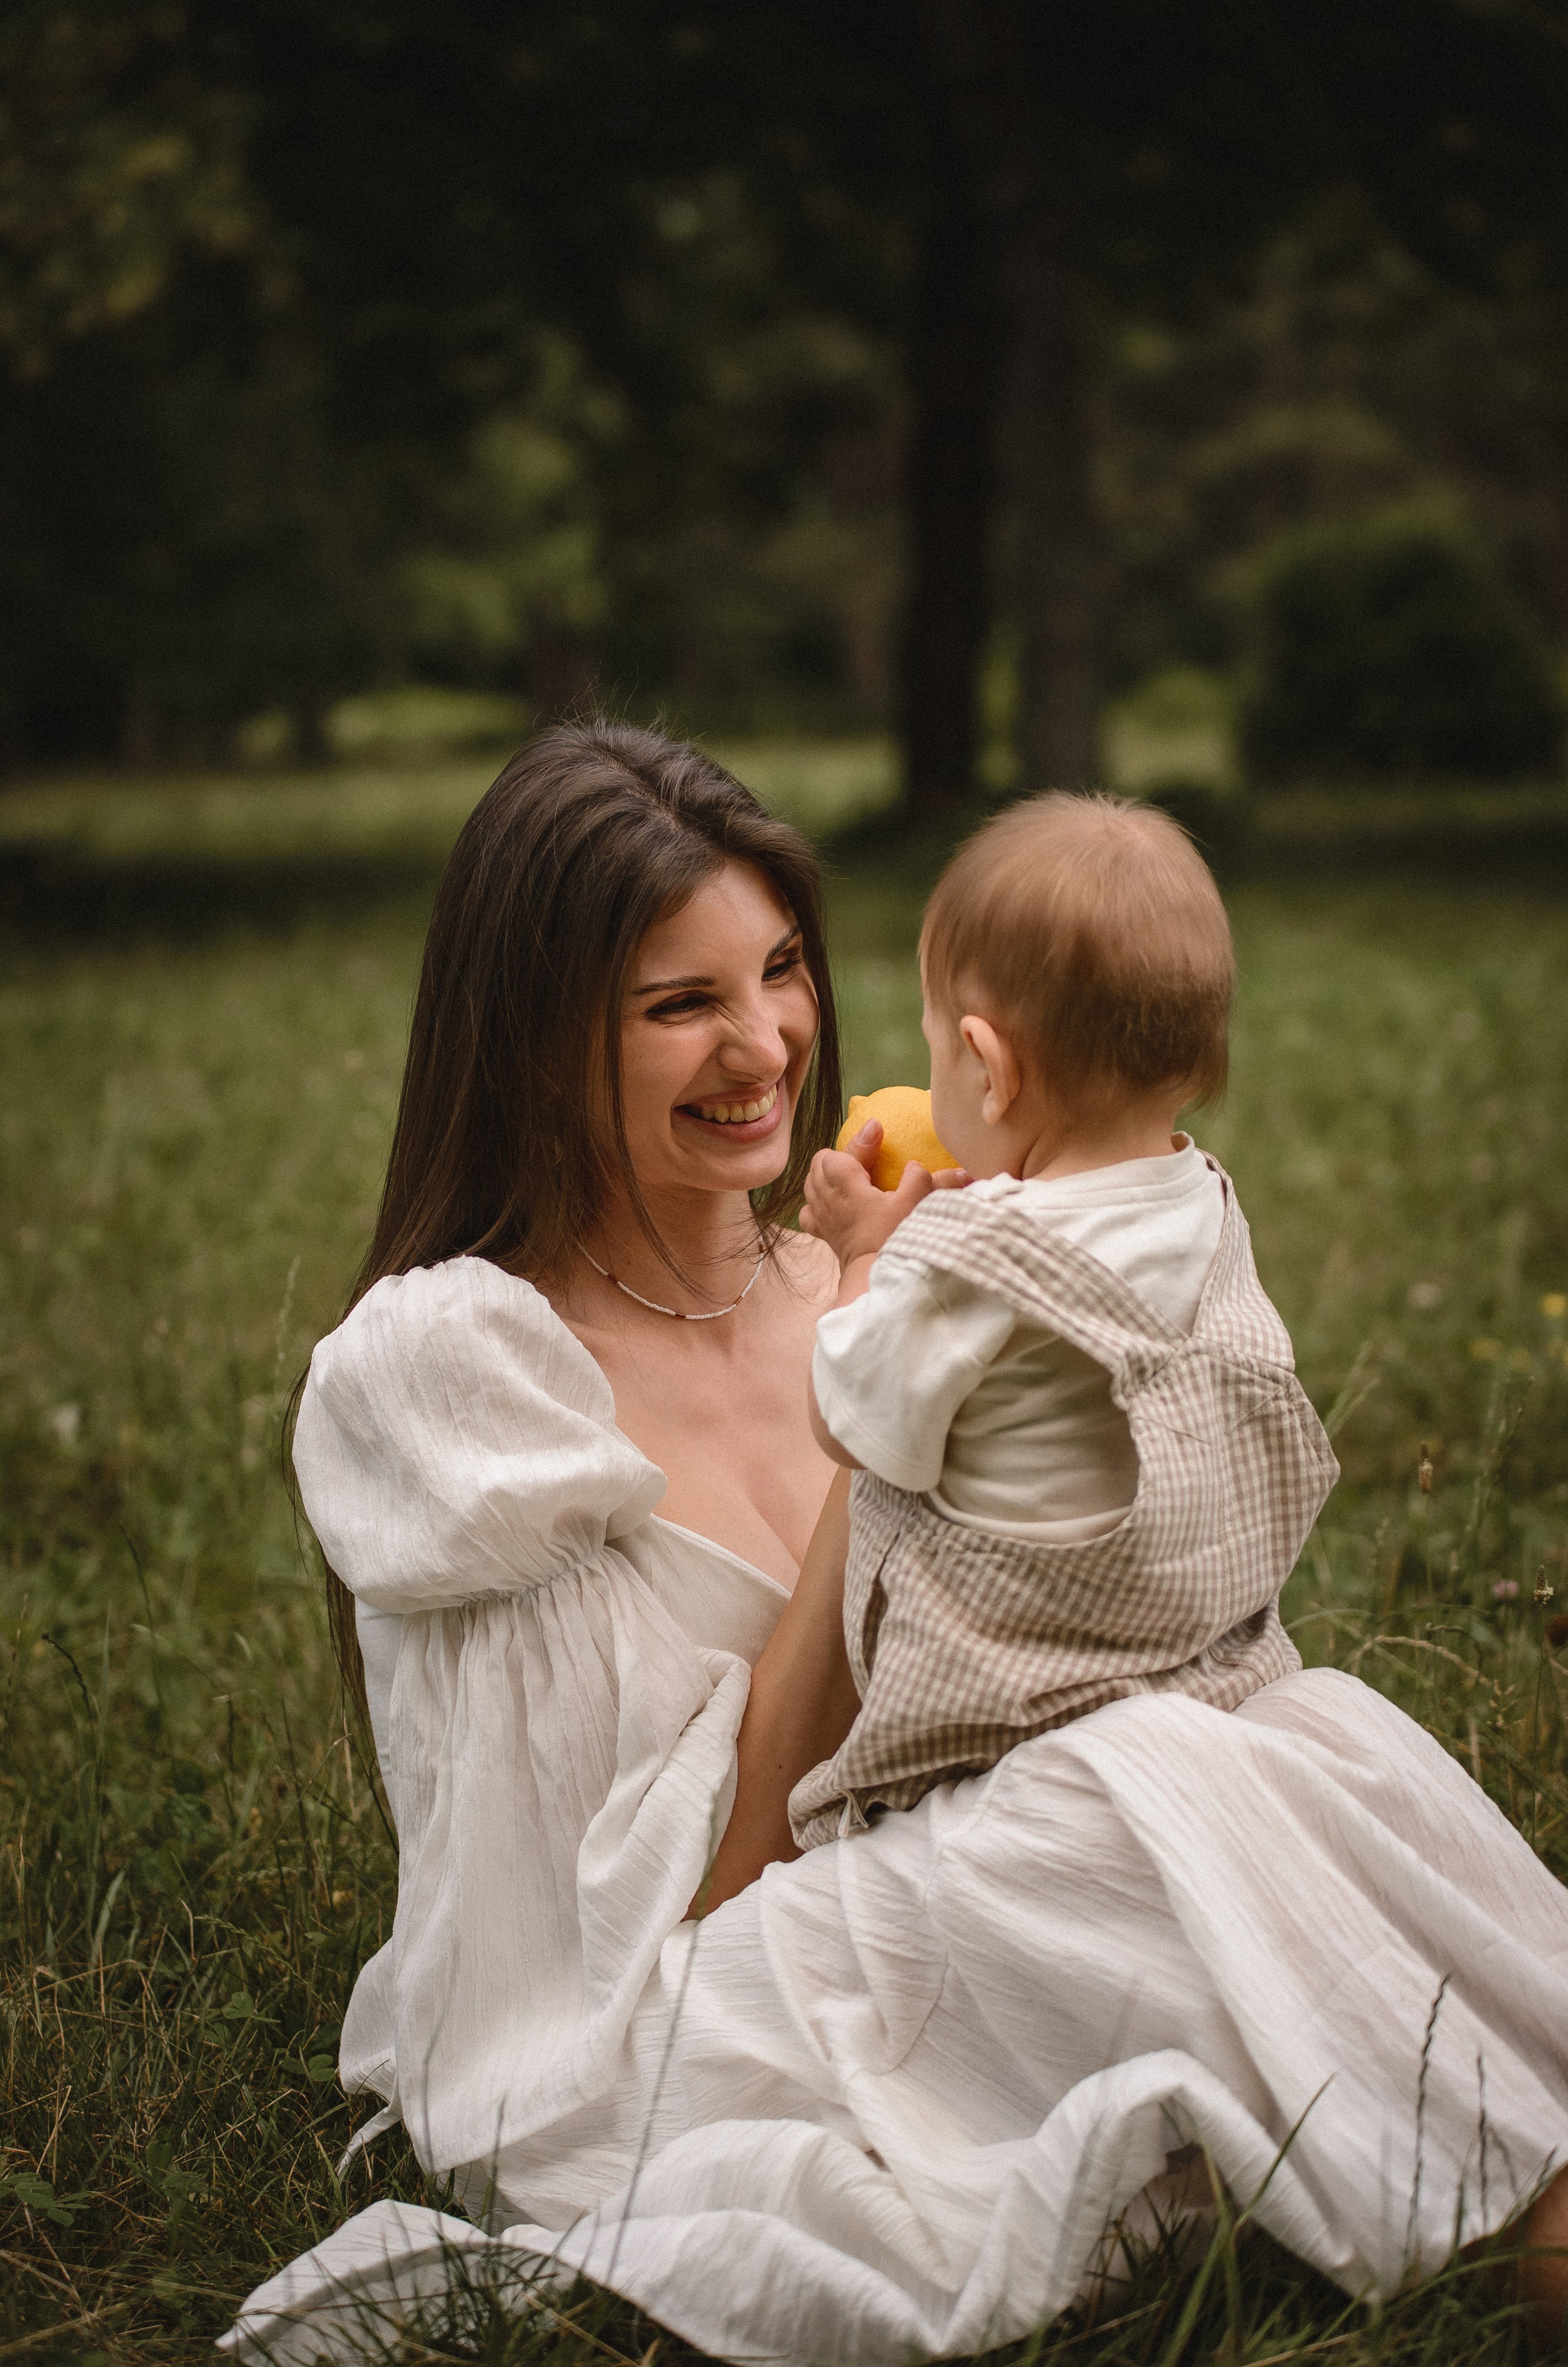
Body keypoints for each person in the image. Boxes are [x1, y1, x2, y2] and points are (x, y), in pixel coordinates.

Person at [224, 722, 1568, 2366]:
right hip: (680, 2005)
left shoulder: (895, 1280)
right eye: (680, 1003)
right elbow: (654, 1917)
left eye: (780, 967)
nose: (768, 1041)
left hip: (983, 1865)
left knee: (1315, 1737)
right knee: (1145, 1784)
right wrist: (890, 1455)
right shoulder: (463, 1373)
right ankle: (1525, 2220)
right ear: (529, 1044)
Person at [789, 793, 1338, 1847]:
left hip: (1013, 1748)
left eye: (935, 1047)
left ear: (990, 1071)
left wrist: (867, 1256)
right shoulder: (1205, 1207)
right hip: (1196, 1695)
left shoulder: (963, 1260)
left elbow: (845, 1419)